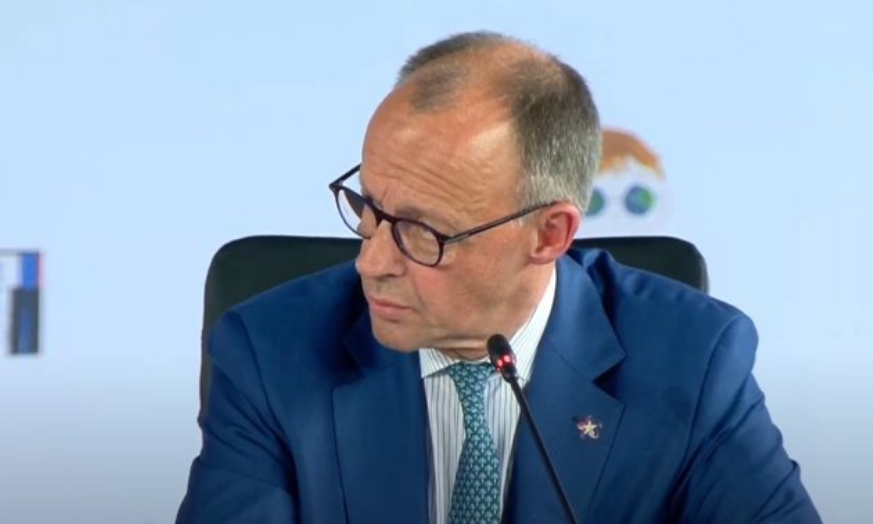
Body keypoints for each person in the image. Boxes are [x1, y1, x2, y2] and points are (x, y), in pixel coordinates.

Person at [176, 31, 820, 523]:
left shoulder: (695, 362)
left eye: (421, 232)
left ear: (550, 235)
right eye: (368, 208)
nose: (372, 262)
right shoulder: (270, 354)